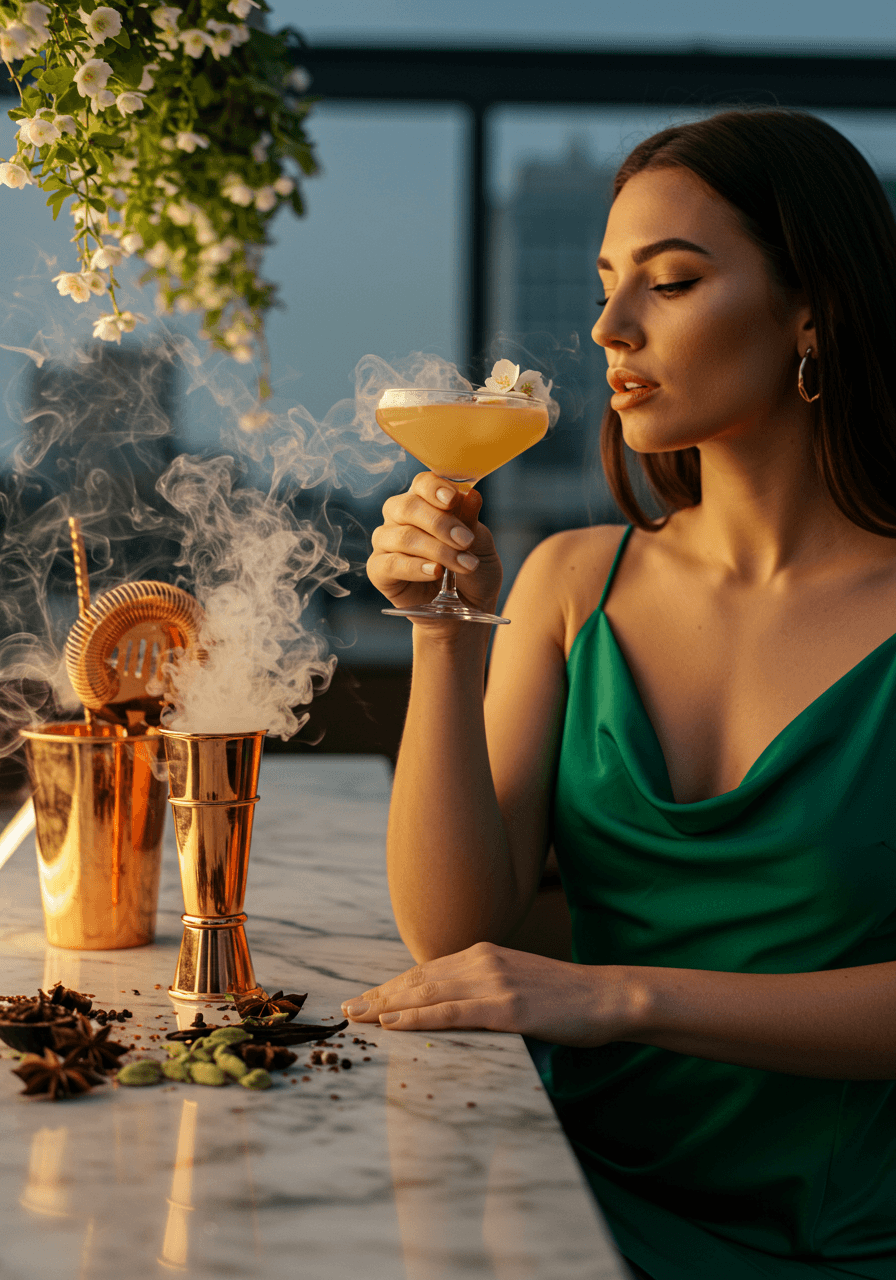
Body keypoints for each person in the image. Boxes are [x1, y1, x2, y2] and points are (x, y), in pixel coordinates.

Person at [343, 109, 896, 1279]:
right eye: (605, 284)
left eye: (672, 281)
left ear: (813, 308)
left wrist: (612, 997)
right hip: (559, 1203)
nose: (607, 327)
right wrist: (443, 636)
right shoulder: (568, 583)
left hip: (842, 1244)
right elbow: (453, 931)